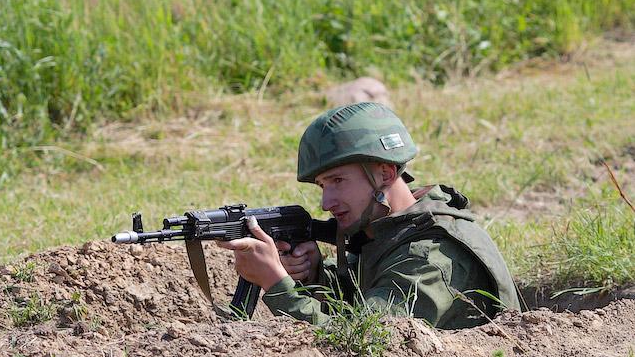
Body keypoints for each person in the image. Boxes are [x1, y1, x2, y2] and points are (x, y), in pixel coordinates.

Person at [218, 102, 520, 329]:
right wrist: (313, 275)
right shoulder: (394, 232)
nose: (326, 202)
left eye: (337, 181)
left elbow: (360, 341)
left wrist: (276, 284)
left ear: (385, 172)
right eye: (323, 186)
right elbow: (364, 299)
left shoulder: (431, 259)